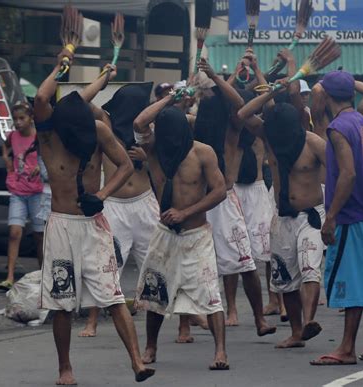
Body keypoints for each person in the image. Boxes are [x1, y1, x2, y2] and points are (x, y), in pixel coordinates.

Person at [34, 49, 154, 384]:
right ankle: (65, 368)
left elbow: (126, 164)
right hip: (62, 226)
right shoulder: (48, 135)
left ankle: (137, 363)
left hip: (93, 224)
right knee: (61, 303)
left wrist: (101, 195)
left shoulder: (98, 130)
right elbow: (43, 96)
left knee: (114, 296)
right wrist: (60, 66)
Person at [132, 93, 229, 370]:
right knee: (154, 293)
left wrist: (186, 213)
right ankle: (150, 347)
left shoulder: (203, 152)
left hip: (196, 235)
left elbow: (220, 190)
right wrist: (169, 98)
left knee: (210, 293)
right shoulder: (154, 149)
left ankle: (220, 351)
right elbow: (140, 122)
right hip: (165, 234)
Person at [237, 66, 327, 348]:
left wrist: (337, 215)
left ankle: (310, 318)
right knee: (285, 278)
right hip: (282, 217)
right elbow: (242, 115)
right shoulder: (271, 140)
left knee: (310, 267)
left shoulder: (313, 143)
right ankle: (298, 332)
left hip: (311, 216)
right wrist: (271, 92)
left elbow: (340, 174)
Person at [310, 70, 363, 365]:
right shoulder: (359, 119)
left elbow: (348, 174)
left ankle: (346, 348)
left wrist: (330, 217)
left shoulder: (338, 127)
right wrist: (343, 79)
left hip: (350, 212)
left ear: (327, 96)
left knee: (353, 279)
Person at [76, 68, 160, 339]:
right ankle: (92, 320)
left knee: (159, 262)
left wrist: (147, 158)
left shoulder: (148, 129)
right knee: (106, 263)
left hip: (145, 203)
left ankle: (185, 318)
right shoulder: (106, 125)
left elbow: (163, 165)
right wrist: (104, 80)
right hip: (114, 204)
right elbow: (80, 103)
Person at [195, 57, 276, 337]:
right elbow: (218, 99)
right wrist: (215, 80)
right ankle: (192, 320)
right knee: (198, 263)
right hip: (200, 200)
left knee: (244, 262)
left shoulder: (234, 127)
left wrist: (219, 76)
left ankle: (258, 319)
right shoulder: (199, 125)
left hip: (226, 199)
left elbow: (241, 104)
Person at [0, 102, 44, 291]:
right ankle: (10, 276)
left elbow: (49, 154)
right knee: (14, 233)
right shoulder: (13, 137)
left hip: (37, 192)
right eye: (15, 119)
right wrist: (7, 160)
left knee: (39, 235)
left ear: (31, 118)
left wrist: (41, 167)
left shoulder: (38, 137)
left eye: (21, 118)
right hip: (18, 191)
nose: (17, 122)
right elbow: (5, 146)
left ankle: (43, 274)